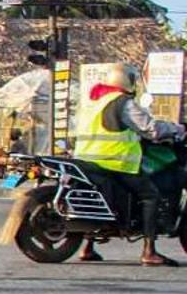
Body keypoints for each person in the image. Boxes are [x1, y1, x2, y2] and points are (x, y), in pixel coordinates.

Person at [72, 62, 185, 267]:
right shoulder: (122, 101)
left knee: (105, 199)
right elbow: (150, 128)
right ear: (128, 80)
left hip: (86, 160)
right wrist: (177, 129)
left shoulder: (94, 101)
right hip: (113, 162)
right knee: (151, 196)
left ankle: (87, 247)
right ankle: (149, 252)